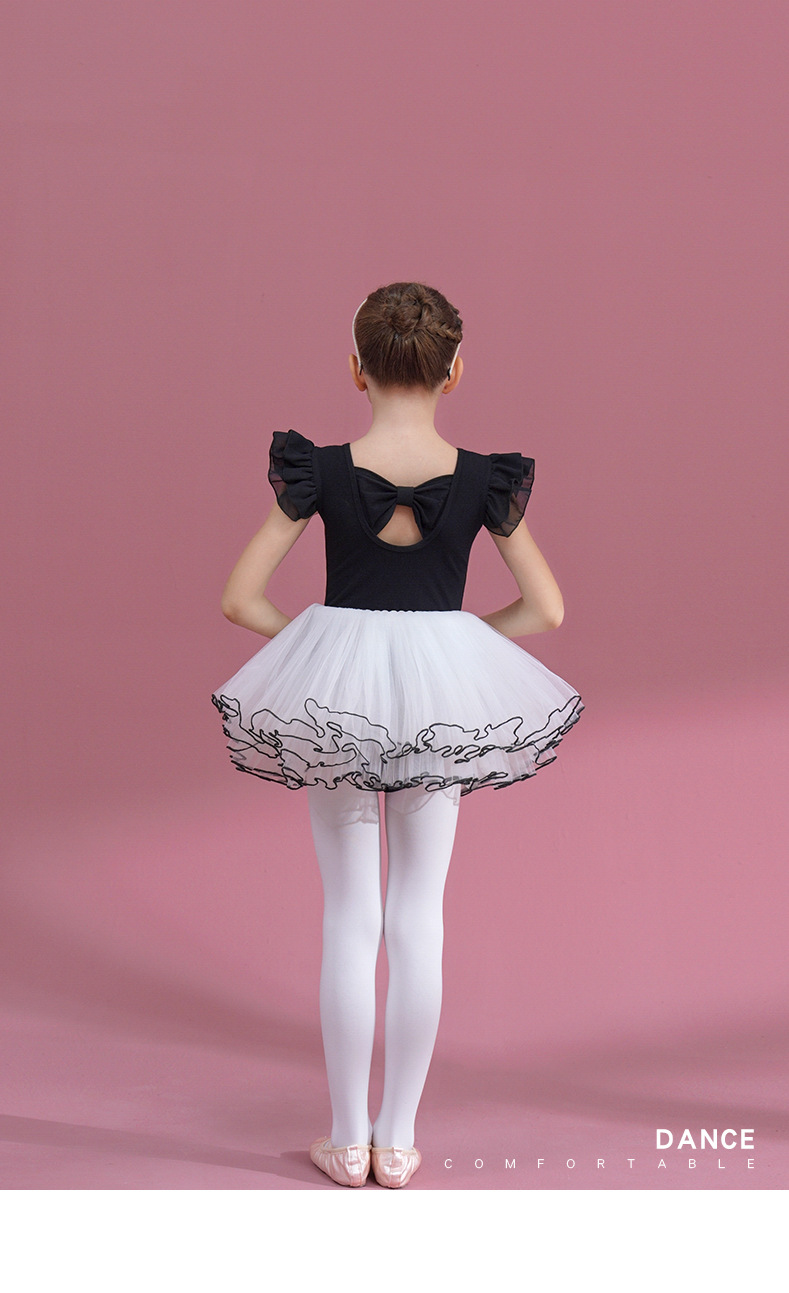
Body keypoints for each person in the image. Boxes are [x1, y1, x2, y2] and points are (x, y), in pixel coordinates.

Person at [211, 281, 584, 1188]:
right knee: (419, 915)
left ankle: (346, 1140)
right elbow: (545, 608)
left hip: (337, 712)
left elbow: (240, 599)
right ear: (454, 371)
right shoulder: (485, 479)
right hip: (435, 713)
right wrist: (450, 652)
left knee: (349, 915)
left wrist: (322, 657)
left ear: (356, 369)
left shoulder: (317, 471)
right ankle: (399, 1139)